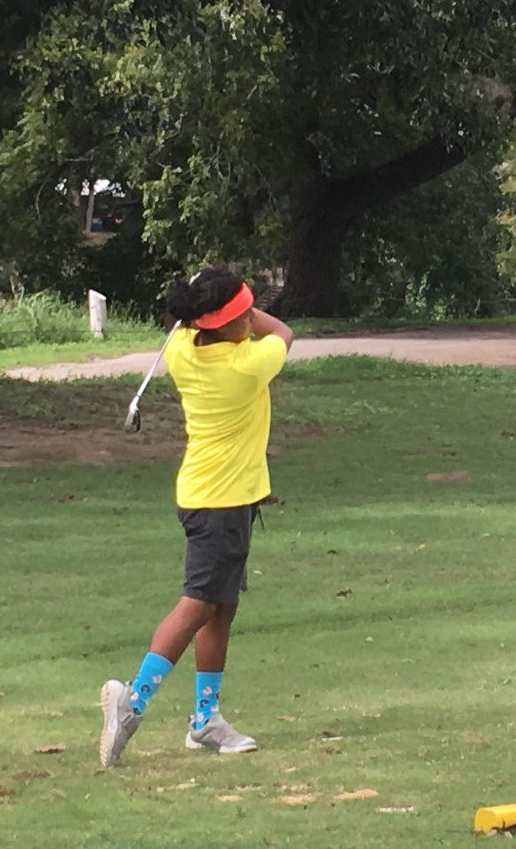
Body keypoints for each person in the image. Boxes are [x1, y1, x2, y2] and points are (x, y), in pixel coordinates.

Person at [99, 267, 294, 768]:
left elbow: (195, 324)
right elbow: (284, 333)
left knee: (221, 606)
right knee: (197, 604)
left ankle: (206, 721)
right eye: (244, 312)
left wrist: (209, 303)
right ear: (225, 323)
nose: (252, 317)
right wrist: (244, 313)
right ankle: (132, 702)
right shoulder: (248, 362)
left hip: (216, 496)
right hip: (219, 504)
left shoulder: (184, 350)